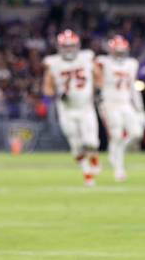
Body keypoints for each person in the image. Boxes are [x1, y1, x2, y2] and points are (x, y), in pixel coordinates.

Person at [42, 29, 101, 186]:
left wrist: (98, 90)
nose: (68, 50)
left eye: (71, 46)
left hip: (85, 107)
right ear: (59, 47)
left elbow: (98, 75)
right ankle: (87, 175)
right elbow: (47, 88)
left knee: (91, 142)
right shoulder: (53, 63)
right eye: (65, 46)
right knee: (76, 146)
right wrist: (57, 94)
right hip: (67, 109)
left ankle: (94, 156)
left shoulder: (87, 58)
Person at [94, 35, 145, 181]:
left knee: (137, 134)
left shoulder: (131, 64)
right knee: (116, 135)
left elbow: (133, 89)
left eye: (121, 52)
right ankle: (119, 168)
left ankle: (116, 153)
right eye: (117, 52)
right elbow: (93, 69)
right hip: (110, 103)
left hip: (126, 103)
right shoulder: (103, 62)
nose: (119, 55)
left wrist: (140, 110)